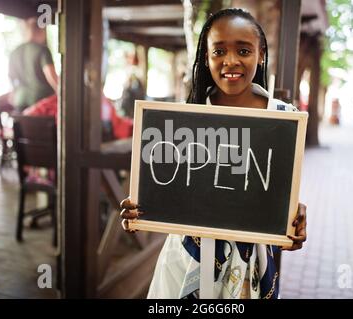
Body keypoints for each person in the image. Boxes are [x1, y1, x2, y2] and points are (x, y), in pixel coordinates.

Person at [120, 8, 307, 299]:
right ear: (206, 58)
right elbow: (164, 189)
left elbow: (280, 191)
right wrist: (142, 208)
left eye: (243, 50)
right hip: (186, 262)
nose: (230, 61)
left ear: (260, 54)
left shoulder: (284, 118)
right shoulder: (186, 117)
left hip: (249, 271)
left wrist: (293, 219)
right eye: (218, 51)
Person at [8, 17, 58, 112]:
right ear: (41, 30)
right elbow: (51, 77)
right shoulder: (42, 50)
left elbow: (11, 78)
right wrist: (62, 93)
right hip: (40, 103)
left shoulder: (14, 52)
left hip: (20, 101)